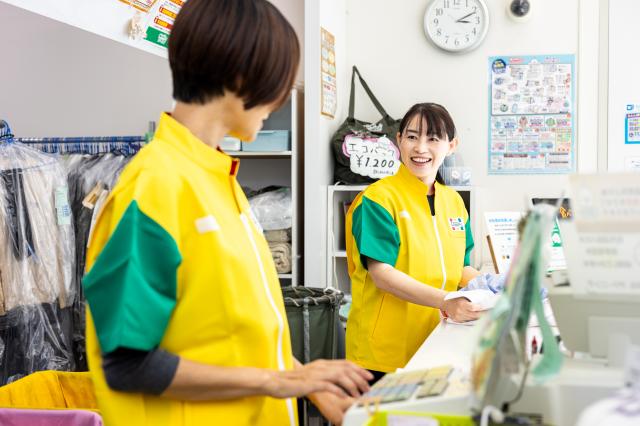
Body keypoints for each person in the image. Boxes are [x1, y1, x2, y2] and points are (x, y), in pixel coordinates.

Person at [82, 1, 371, 425]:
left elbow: (241, 330)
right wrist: (275, 381)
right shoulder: (153, 187)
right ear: (240, 74)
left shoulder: (219, 179)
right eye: (279, 80)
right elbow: (126, 363)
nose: (278, 99)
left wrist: (307, 382)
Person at [345, 103, 484, 383]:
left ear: (451, 145)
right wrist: (448, 300)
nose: (420, 148)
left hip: (436, 341)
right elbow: (382, 275)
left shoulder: (454, 202)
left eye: (433, 138)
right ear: (399, 141)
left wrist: (498, 287)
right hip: (383, 353)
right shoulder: (378, 200)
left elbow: (459, 269)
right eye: (412, 137)